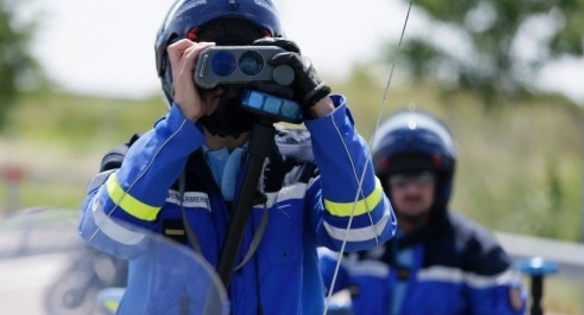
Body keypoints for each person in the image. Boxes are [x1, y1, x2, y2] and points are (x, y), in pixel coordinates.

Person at [77, 1, 397, 315]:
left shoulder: (304, 164)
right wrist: (179, 126)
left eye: (249, 61)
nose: (230, 81)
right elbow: (106, 234)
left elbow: (364, 229)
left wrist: (321, 109)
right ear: (171, 71)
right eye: (214, 62)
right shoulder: (141, 160)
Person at [320, 109, 527, 315]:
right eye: (401, 181)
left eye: (423, 179)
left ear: (441, 182)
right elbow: (305, 284)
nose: (412, 190)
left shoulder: (478, 252)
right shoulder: (357, 238)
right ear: (383, 184)